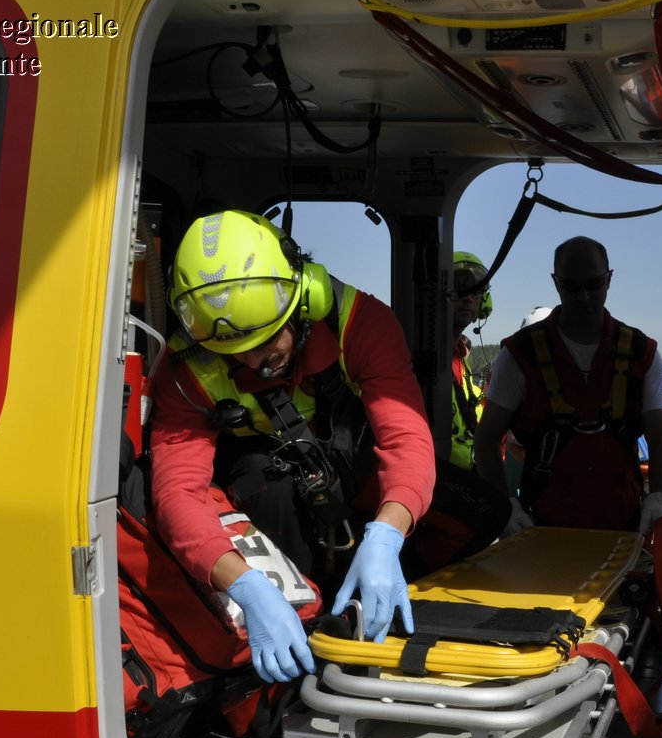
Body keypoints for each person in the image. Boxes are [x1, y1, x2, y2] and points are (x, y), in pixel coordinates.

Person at [154, 211, 496, 684]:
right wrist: (244, 585)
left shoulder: (360, 321)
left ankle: (390, 596)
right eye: (236, 352)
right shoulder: (185, 368)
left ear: (303, 303)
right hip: (265, 484)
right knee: (267, 485)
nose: (255, 362)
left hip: (351, 463)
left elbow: (405, 437)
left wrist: (388, 534)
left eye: (268, 342)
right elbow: (177, 493)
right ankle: (314, 634)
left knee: (486, 509)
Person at [473, 237, 662, 533]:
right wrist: (504, 503)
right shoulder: (519, 355)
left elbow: (660, 433)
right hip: (542, 529)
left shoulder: (640, 353)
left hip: (623, 524)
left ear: (609, 279)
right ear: (556, 282)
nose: (583, 297)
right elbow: (488, 437)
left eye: (594, 285)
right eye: (572, 286)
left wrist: (660, 495)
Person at [447, 251, 492, 471]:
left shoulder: (460, 361)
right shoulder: (414, 352)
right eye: (459, 287)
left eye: (476, 290)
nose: (468, 296)